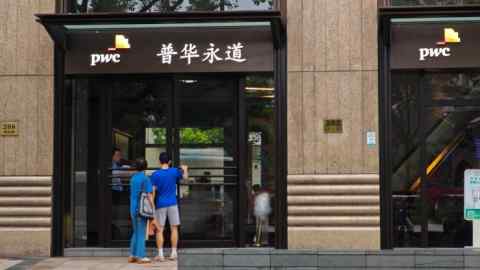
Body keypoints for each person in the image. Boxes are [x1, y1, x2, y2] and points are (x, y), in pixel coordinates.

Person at [151, 152, 188, 261]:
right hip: (172, 203)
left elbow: (152, 192)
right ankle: (173, 253)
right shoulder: (174, 171)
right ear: (170, 162)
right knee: (174, 228)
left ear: (159, 161)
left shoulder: (155, 174)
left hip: (160, 203)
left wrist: (152, 206)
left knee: (159, 229)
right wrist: (185, 168)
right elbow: (185, 178)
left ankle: (161, 254)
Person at [128, 158, 154, 264]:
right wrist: (153, 209)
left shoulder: (133, 178)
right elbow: (149, 195)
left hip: (133, 207)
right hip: (141, 209)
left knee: (136, 232)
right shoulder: (145, 179)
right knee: (141, 233)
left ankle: (132, 255)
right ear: (146, 167)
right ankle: (141, 256)